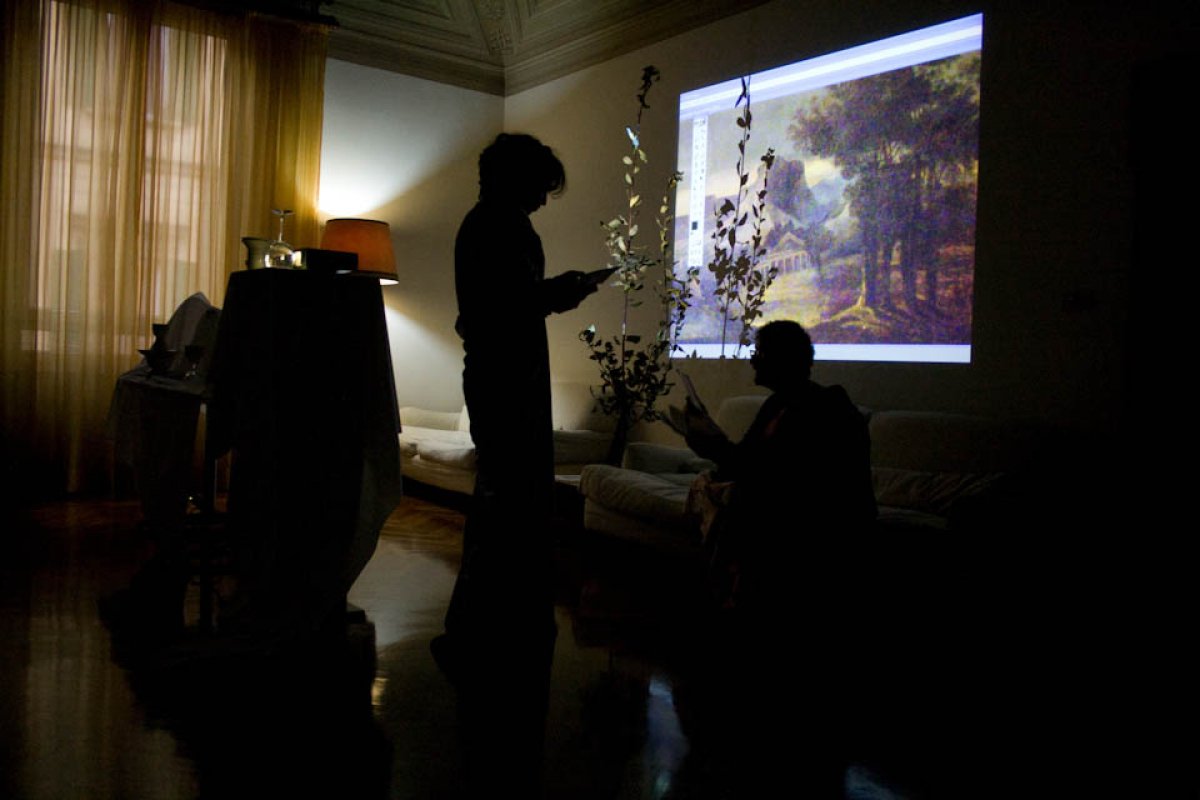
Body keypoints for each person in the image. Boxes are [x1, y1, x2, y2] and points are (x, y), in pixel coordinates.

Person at [434, 133, 597, 791]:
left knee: (504, 501)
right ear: (516, 179)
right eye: (540, 186)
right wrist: (562, 291)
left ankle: (481, 631)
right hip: (507, 384)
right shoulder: (496, 228)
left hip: (505, 380)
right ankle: (485, 632)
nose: (544, 199)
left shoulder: (489, 224)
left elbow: (487, 313)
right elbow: (504, 308)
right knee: (508, 501)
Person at [682, 319, 876, 611]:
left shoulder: (827, 406)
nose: (752, 360)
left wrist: (714, 447)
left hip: (813, 520)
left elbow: (778, 474)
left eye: (759, 352)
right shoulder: (775, 404)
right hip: (782, 507)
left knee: (742, 498)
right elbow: (745, 460)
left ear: (782, 358)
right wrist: (709, 437)